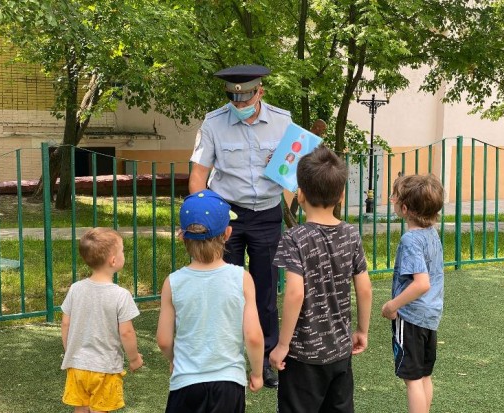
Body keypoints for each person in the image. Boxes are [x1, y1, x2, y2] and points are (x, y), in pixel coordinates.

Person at [188, 64, 292, 387]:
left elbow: (293, 174)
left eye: (246, 99)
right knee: (226, 289)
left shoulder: (283, 121)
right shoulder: (213, 123)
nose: (240, 106)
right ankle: (228, 357)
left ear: (260, 92)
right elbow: (197, 178)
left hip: (267, 214)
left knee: (264, 292)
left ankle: (266, 359)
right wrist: (207, 218)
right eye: (234, 100)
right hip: (226, 215)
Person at [269, 145, 373, 413]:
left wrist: (282, 345)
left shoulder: (295, 238)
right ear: (340, 196)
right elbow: (364, 288)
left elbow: (294, 293)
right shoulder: (351, 234)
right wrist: (362, 330)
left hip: (302, 356)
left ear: (300, 194)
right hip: (339, 352)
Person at [157, 189, 265, 413]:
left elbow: (164, 341)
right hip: (229, 383)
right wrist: (256, 372)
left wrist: (174, 360)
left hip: (185, 383)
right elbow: (253, 337)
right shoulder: (242, 279)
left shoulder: (173, 282)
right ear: (227, 233)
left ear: (182, 236)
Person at [60, 228, 143, 413]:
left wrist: (70, 351)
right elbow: (127, 332)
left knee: (80, 408)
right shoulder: (121, 296)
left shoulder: (75, 289)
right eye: (122, 251)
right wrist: (134, 358)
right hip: (105, 368)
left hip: (76, 365)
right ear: (113, 260)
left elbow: (65, 323)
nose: (123, 254)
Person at [381, 173, 445, 413]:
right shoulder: (432, 233)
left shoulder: (410, 239)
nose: (391, 199)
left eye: (394, 197)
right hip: (431, 316)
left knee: (413, 380)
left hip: (411, 317)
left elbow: (421, 283)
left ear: (405, 208)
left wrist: (392, 306)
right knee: (424, 375)